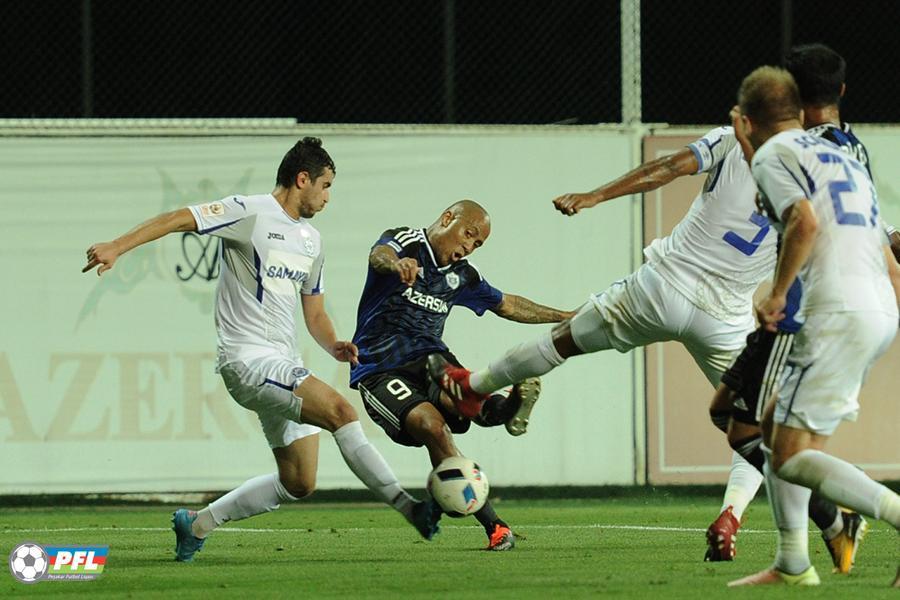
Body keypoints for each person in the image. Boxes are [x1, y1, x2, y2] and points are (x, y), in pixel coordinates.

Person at [430, 86, 788, 561]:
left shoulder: (729, 140)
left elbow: (667, 168)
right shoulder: (811, 177)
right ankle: (732, 516)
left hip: (662, 288)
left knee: (561, 342)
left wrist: (595, 195)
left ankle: (473, 385)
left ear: (751, 118)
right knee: (758, 423)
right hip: (726, 316)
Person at [82, 137, 439, 562]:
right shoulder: (248, 212)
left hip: (284, 364)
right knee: (342, 412)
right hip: (247, 360)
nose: (328, 197)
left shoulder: (312, 241)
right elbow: (178, 218)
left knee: (299, 481)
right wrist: (117, 246)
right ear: (302, 179)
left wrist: (334, 345)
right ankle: (409, 507)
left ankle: (196, 524)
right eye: (325, 186)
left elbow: (315, 312)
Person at [708, 44, 900, 573]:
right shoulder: (848, 151)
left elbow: (803, 220)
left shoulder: (790, 150)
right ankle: (795, 559)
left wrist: (776, 294)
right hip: (863, 305)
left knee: (780, 446)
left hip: (814, 310)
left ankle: (836, 527)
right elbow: (880, 245)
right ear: (842, 90)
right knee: (757, 426)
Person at [351, 200, 574, 551]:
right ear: (447, 219)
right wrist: (397, 264)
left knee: (468, 402)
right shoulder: (407, 243)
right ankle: (493, 518)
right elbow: (379, 254)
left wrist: (566, 317)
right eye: (469, 235)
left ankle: (511, 407)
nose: (469, 246)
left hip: (431, 359)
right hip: (381, 366)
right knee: (433, 427)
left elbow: (508, 304)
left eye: (477, 244)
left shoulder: (464, 276)